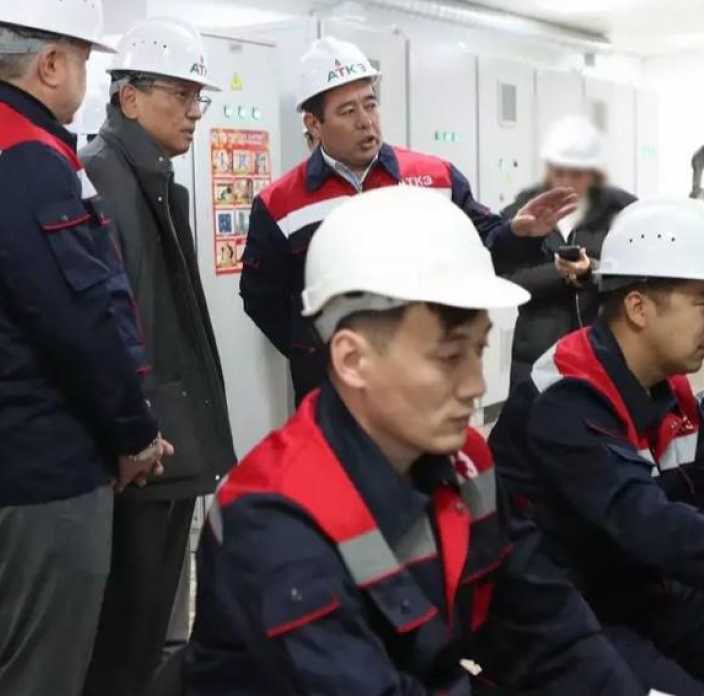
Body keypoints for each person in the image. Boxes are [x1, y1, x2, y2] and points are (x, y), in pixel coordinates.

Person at [184, 186, 643, 695]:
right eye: (449, 357)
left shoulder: (468, 465)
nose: (475, 385)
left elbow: (546, 625)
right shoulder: (272, 520)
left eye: (479, 351)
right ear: (353, 360)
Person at [0, 0, 170, 696]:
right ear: (53, 62)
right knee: (41, 673)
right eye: (85, 58)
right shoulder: (25, 158)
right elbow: (79, 320)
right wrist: (133, 433)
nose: (86, 75)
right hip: (43, 473)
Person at [240, 36, 578, 403]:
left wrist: (516, 232)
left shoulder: (435, 178)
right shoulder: (280, 205)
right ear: (314, 123)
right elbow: (263, 300)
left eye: (370, 104)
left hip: (426, 381)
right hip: (334, 391)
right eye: (347, 111)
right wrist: (314, 354)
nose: (365, 121)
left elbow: (482, 246)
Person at [490, 197, 704, 694]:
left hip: (635, 586)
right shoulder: (567, 397)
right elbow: (648, 523)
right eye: (701, 303)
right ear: (639, 307)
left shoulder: (666, 388)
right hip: (563, 616)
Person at [80, 17, 236, 696]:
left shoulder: (152, 179)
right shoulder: (102, 178)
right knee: (126, 631)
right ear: (129, 97)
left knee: (149, 627)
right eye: (182, 94)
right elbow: (112, 324)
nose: (195, 111)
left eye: (199, 97)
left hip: (169, 440)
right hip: (146, 448)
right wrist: (137, 429)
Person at [501, 115, 635, 388]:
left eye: (577, 174)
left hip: (602, 348)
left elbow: (634, 273)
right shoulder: (522, 212)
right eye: (560, 172)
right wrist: (559, 272)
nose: (566, 181)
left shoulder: (620, 211)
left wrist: (591, 271)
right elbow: (508, 276)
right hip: (536, 352)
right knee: (531, 412)